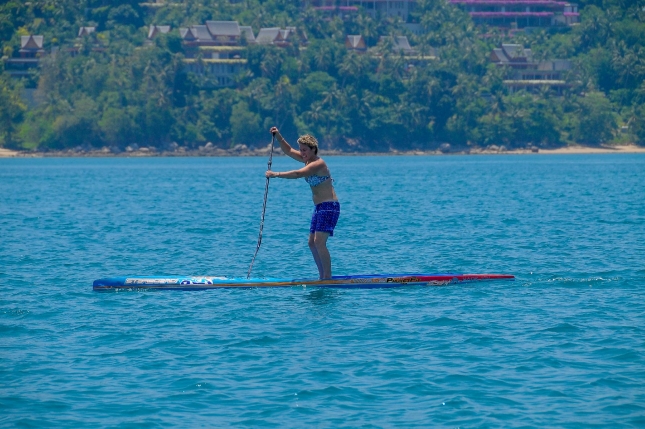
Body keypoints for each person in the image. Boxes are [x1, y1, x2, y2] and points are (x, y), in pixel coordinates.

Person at [265, 127, 340, 280]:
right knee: (311, 243)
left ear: (313, 149)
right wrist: (278, 136)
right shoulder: (307, 159)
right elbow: (289, 151)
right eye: (301, 150)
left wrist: (276, 174)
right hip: (319, 207)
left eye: (305, 150)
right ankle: (322, 277)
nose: (302, 153)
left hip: (329, 207)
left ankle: (327, 277)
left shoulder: (318, 164)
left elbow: (298, 174)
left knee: (319, 242)